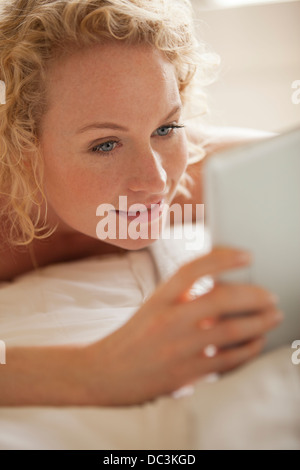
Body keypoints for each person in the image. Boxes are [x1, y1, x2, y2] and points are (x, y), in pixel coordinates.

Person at [0, 0, 282, 406]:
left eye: (165, 127)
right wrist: (92, 372)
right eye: (105, 144)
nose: (157, 181)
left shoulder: (198, 170)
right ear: (22, 145)